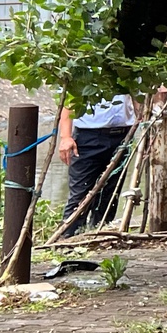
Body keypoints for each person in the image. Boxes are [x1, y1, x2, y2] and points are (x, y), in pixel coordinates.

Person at [57, 92, 137, 232]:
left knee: (110, 193)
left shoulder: (130, 70)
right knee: (81, 193)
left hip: (123, 136)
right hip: (88, 136)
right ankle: (67, 238)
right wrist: (66, 136)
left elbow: (137, 95)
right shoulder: (86, 70)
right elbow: (70, 98)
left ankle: (100, 233)